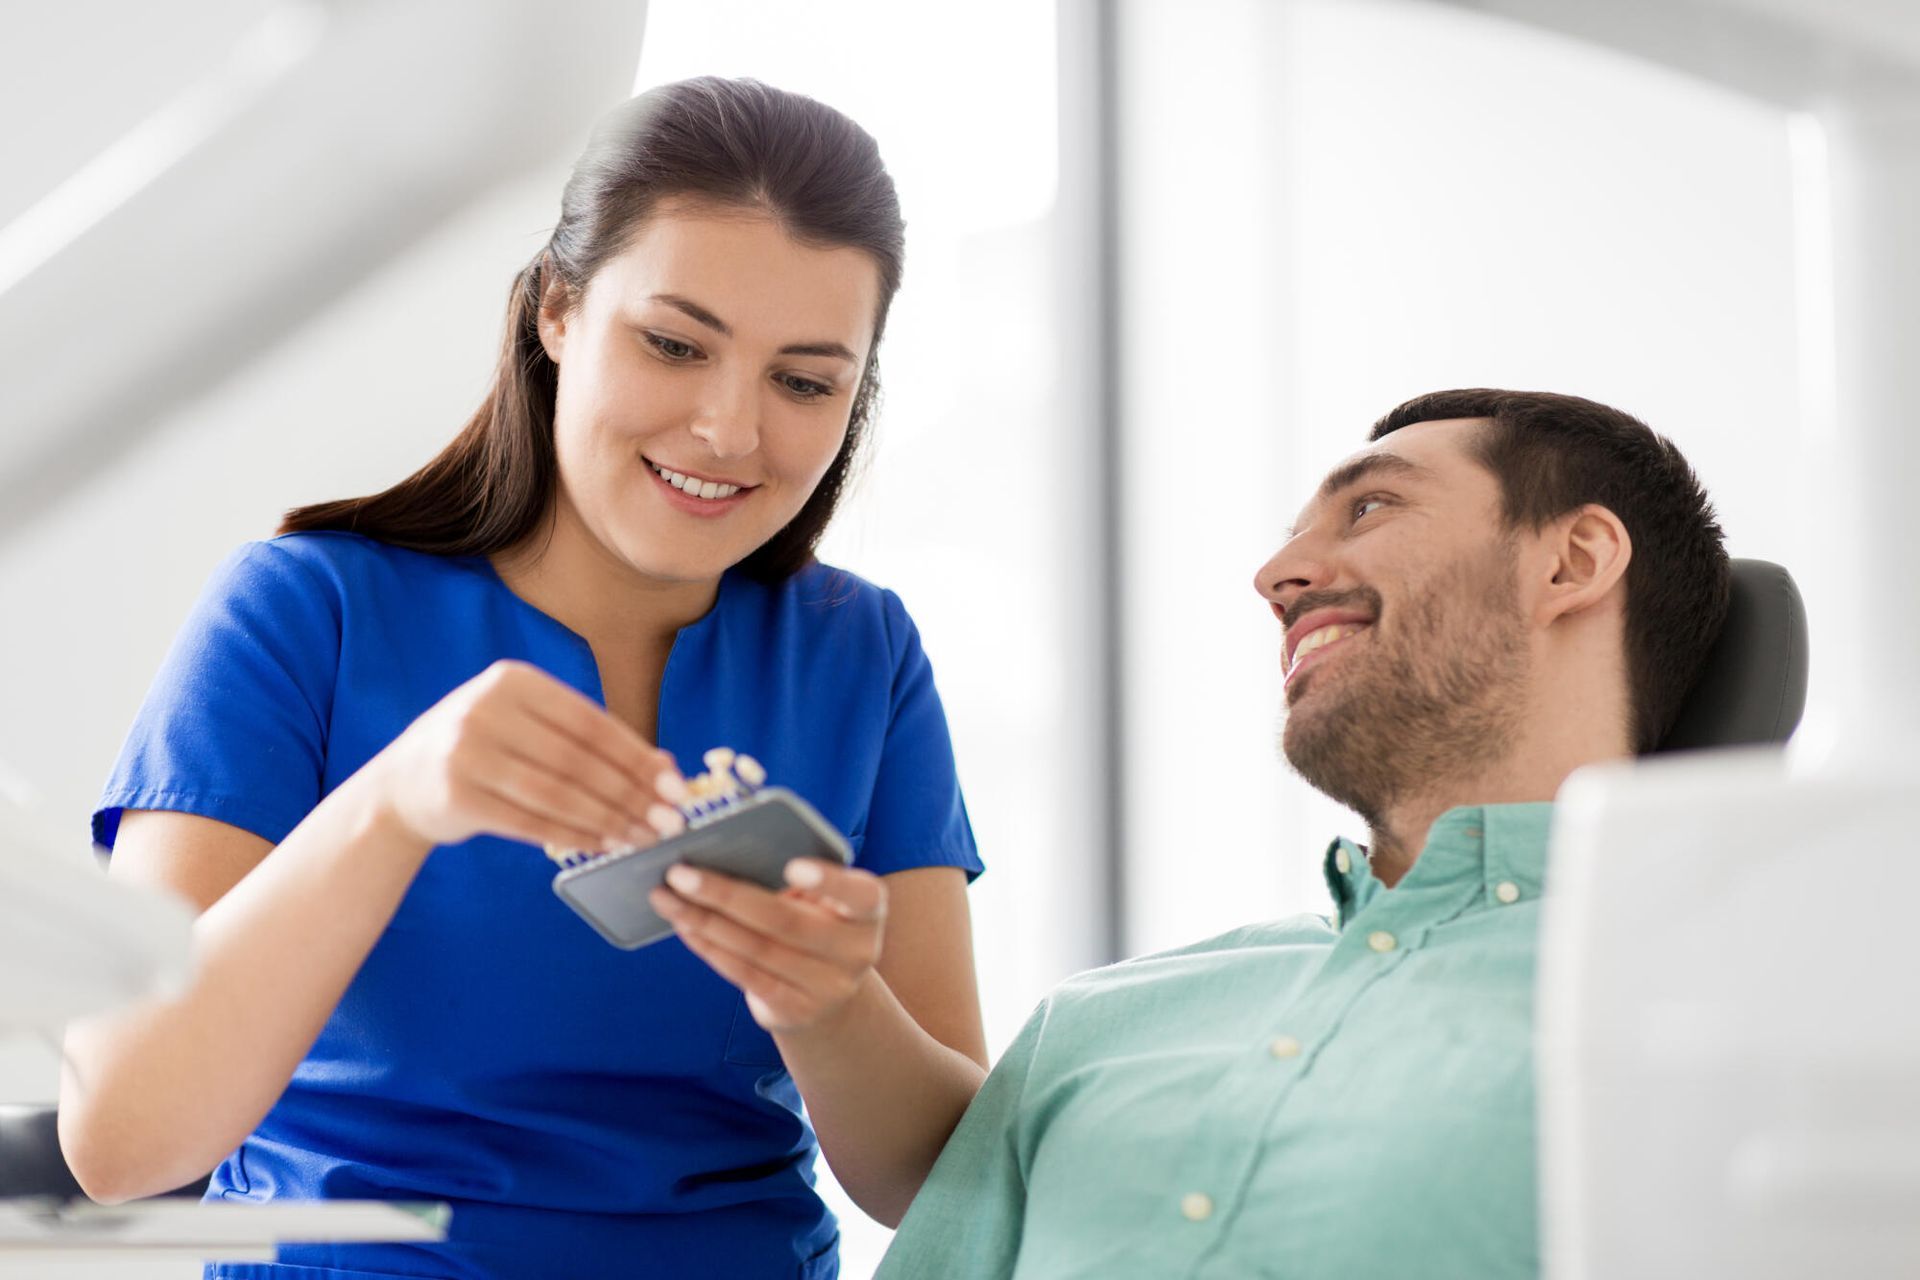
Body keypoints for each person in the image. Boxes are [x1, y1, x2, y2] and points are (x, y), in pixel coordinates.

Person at [60, 77, 989, 1280]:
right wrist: (394, 805)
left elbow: (941, 1180)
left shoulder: (861, 654)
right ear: (557, 308)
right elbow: (120, 1138)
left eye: (804, 381)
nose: (728, 430)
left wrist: (828, 1001)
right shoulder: (305, 611)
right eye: (673, 343)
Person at [876, 388, 1732, 1280]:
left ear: (1573, 561)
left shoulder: (1728, 1020)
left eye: (1370, 506)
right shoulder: (1091, 1026)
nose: (1276, 574)